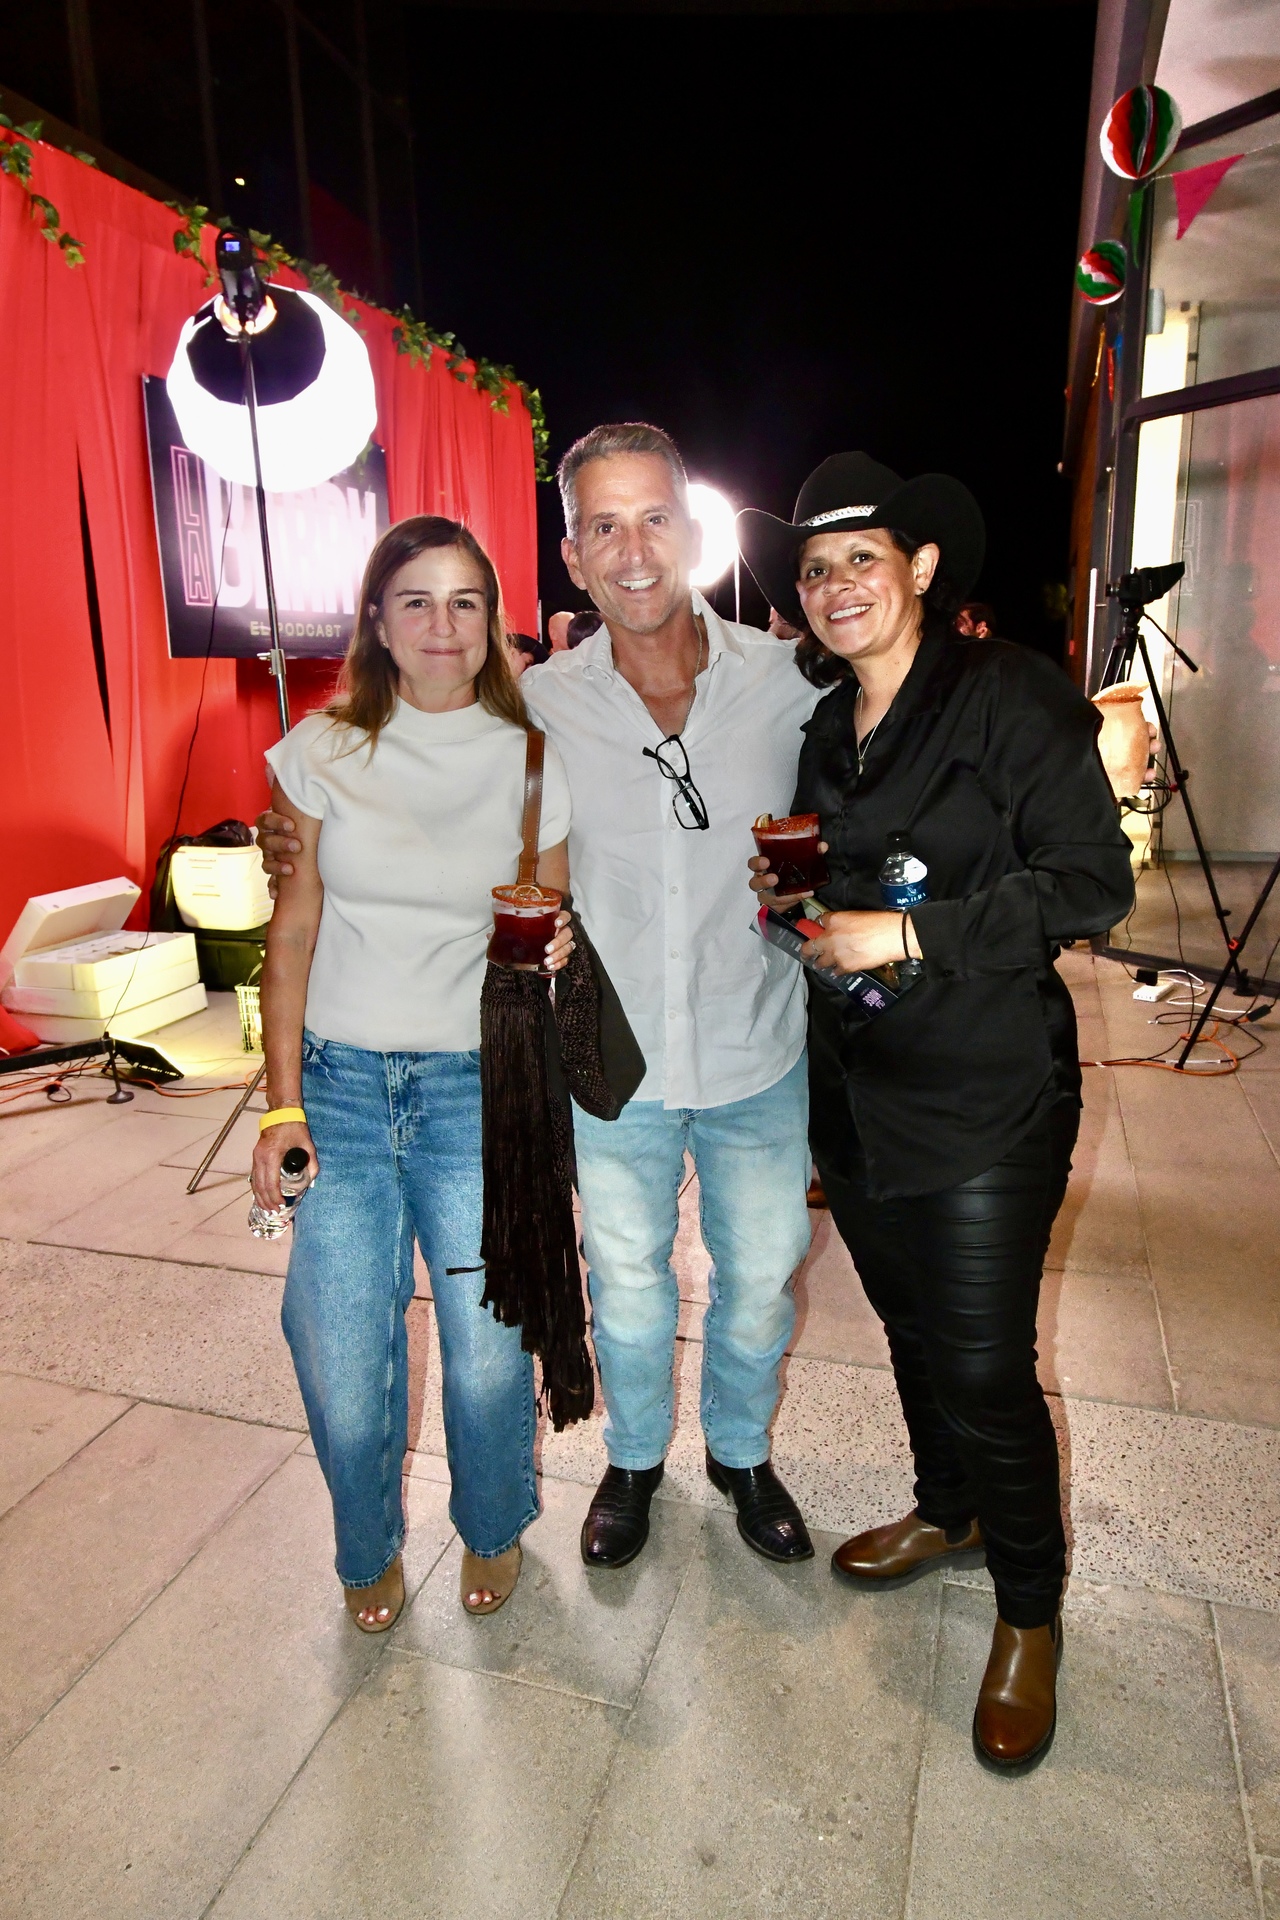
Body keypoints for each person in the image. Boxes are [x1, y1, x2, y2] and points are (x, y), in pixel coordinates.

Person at [260, 423, 821, 1572]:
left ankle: (738, 1452)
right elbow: (414, 776)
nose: (632, 549)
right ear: (570, 555)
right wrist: (291, 839)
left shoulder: (786, 683)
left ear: (693, 529)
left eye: (653, 518)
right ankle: (632, 1460)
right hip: (609, 1060)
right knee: (623, 1283)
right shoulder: (544, 705)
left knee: (763, 1275)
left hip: (754, 1040)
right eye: (602, 525)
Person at [739, 452, 1134, 1773]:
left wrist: (905, 936)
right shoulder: (824, 728)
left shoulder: (1009, 696)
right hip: (857, 1093)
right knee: (910, 1330)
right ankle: (947, 1507)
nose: (835, 584)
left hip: (983, 1090)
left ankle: (1028, 1611)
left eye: (862, 557)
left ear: (917, 568)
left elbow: (1091, 884)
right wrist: (795, 909)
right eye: (814, 568)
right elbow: (835, 899)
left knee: (981, 1363)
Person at [251, 514, 574, 1632]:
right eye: (417, 601)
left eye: (466, 601)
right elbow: (291, 932)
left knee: (487, 1351)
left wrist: (558, 941)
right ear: (378, 624)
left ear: (493, 622)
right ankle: (365, 1547)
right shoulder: (318, 751)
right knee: (340, 1348)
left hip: (474, 1089)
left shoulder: (533, 758)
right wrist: (281, 1105)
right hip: (338, 1084)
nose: (444, 624)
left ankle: (491, 1521)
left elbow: (550, 915)